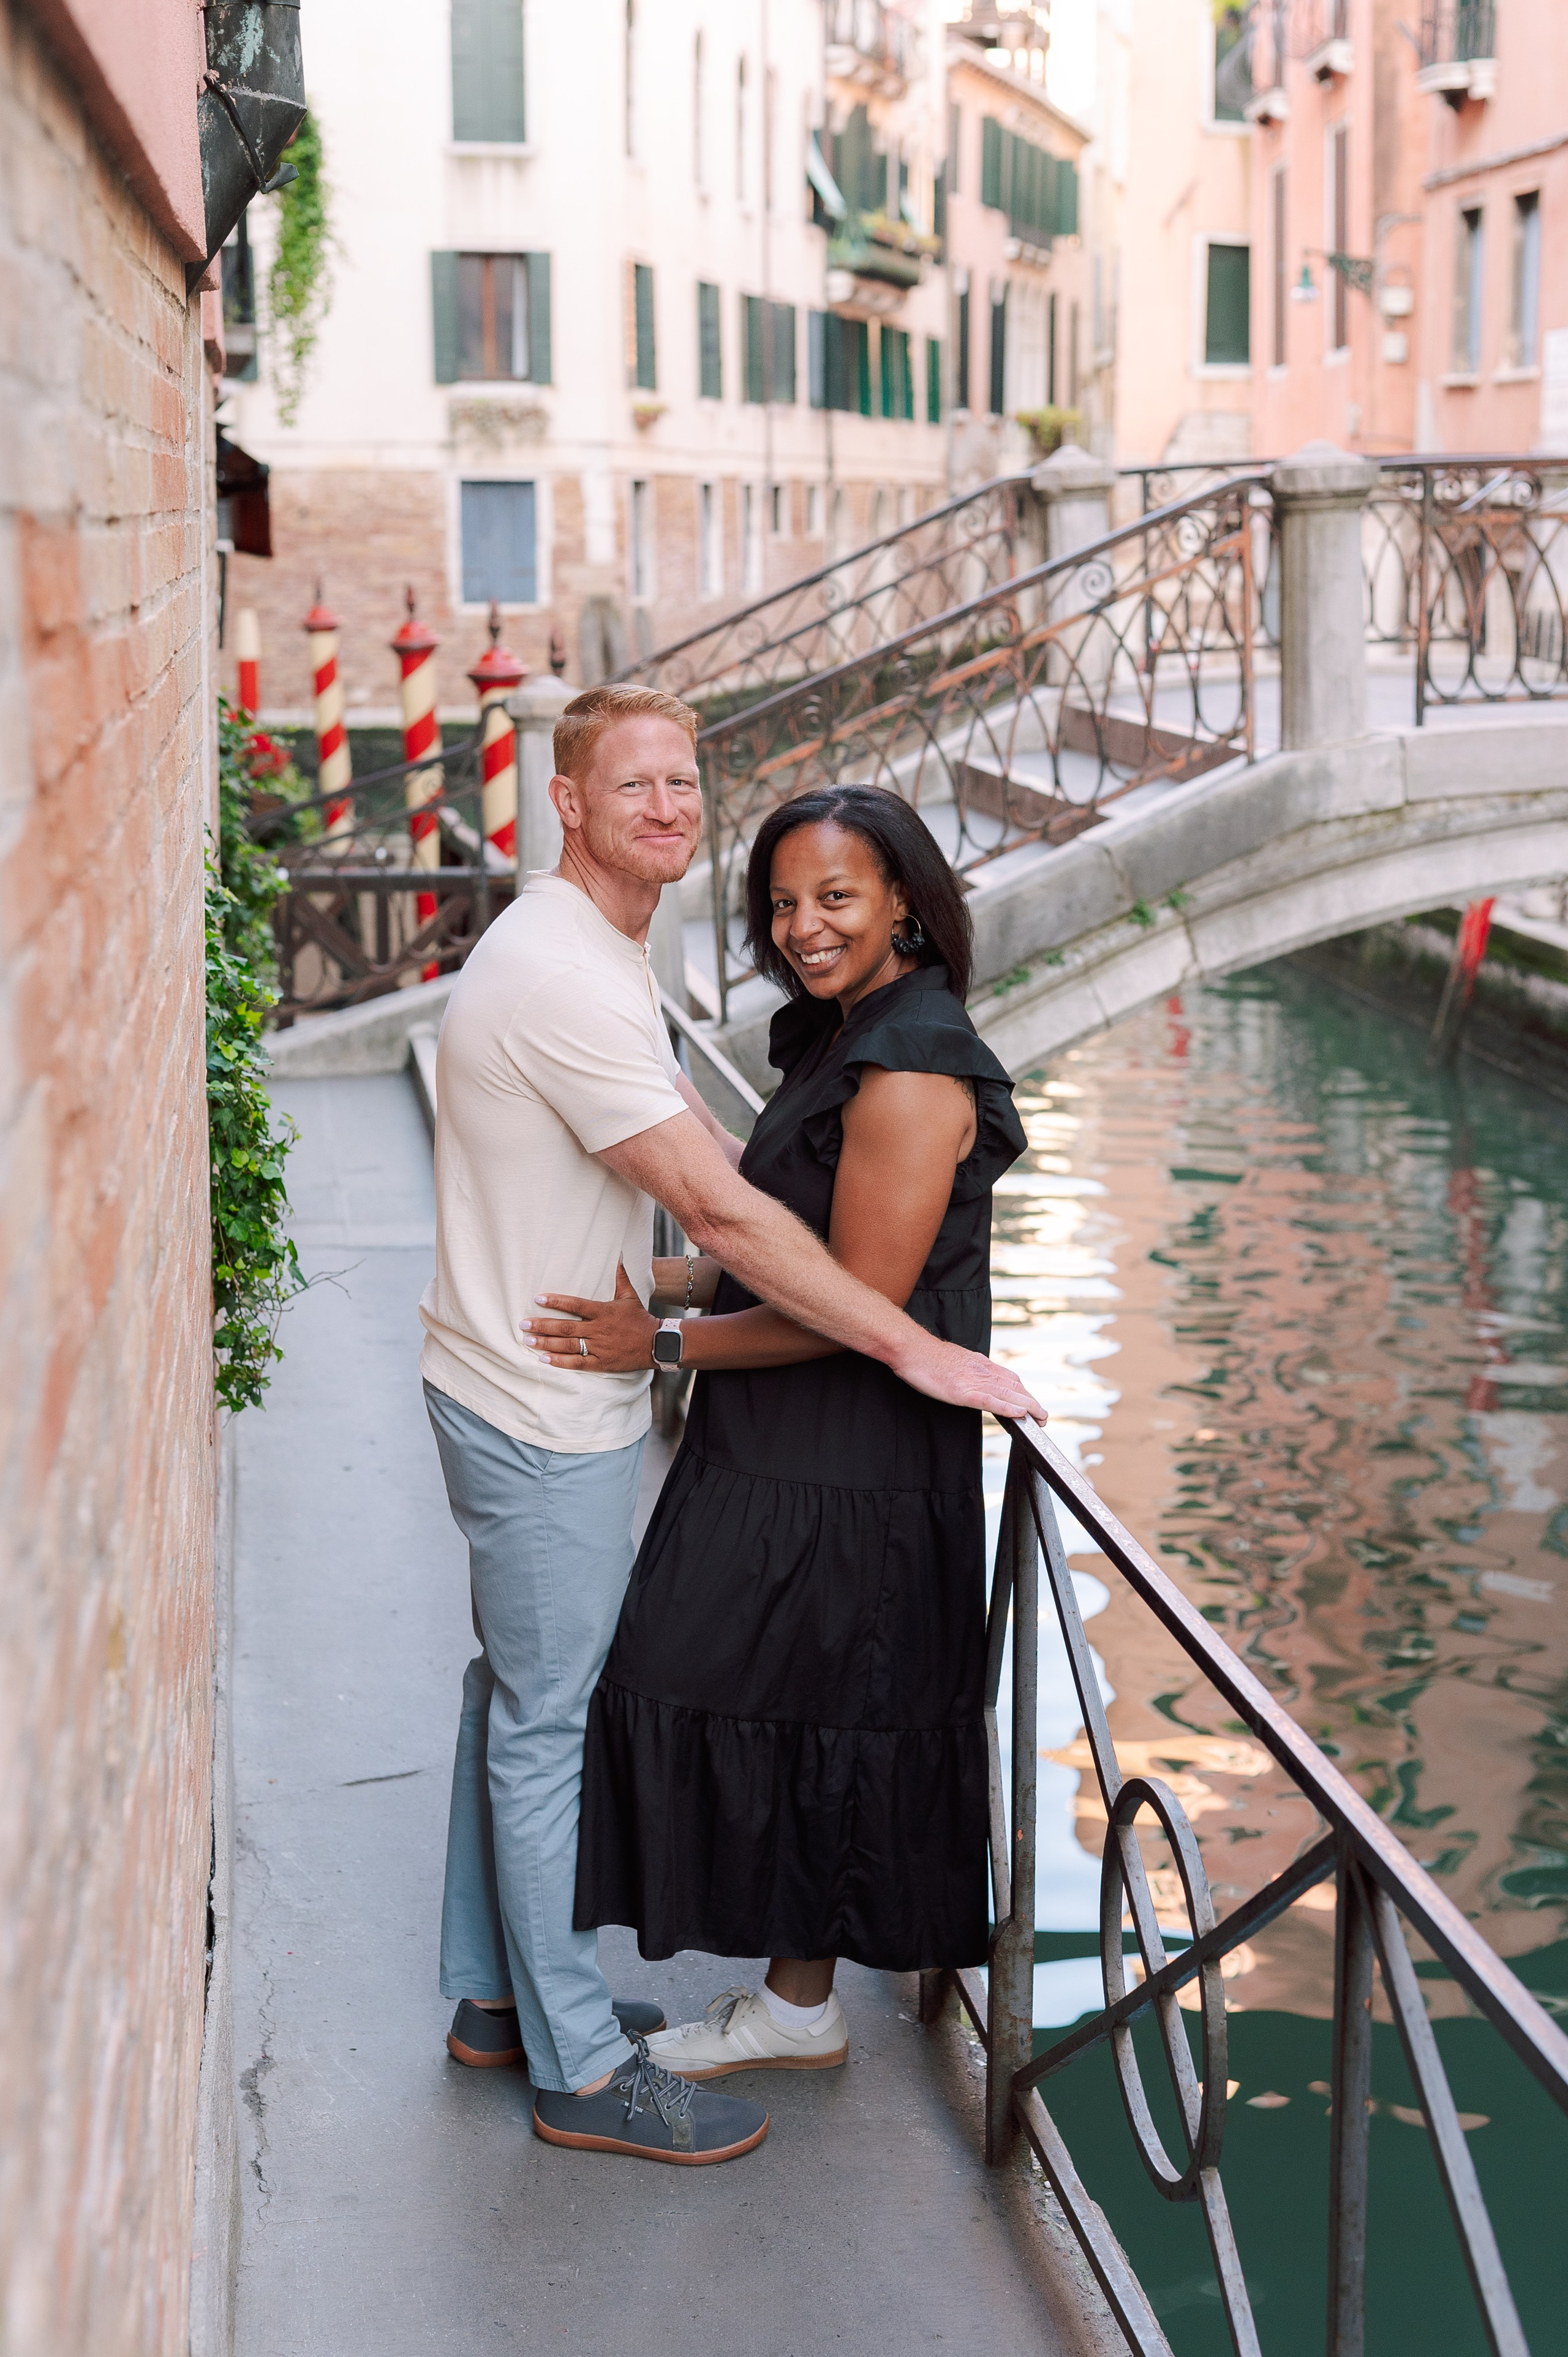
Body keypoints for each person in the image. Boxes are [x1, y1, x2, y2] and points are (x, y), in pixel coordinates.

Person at [420, 691, 1043, 2168]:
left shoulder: (597, 955)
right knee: (549, 1717)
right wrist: (909, 1350)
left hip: (547, 1385)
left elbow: (736, 1214)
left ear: (901, 900)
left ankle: (501, 2003)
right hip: (539, 1399)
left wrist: (684, 1317)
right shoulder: (574, 971)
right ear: (562, 800)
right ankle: (578, 2065)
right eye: (628, 784)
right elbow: (714, 1202)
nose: (663, 807)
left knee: (520, 1696)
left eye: (680, 781)